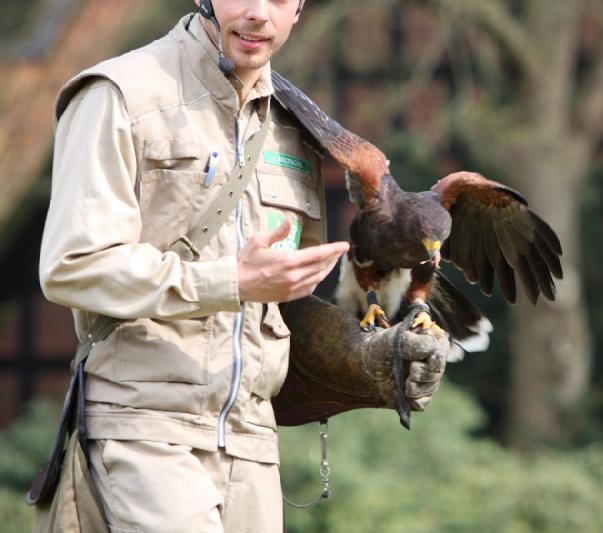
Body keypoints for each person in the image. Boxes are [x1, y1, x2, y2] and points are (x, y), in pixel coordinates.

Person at [38, 1, 448, 531]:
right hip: (144, 425)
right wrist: (228, 281)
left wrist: (366, 358)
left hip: (254, 443)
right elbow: (73, 266)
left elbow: (285, 304)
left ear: (299, 10)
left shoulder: (293, 129)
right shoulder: (120, 96)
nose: (259, 13)